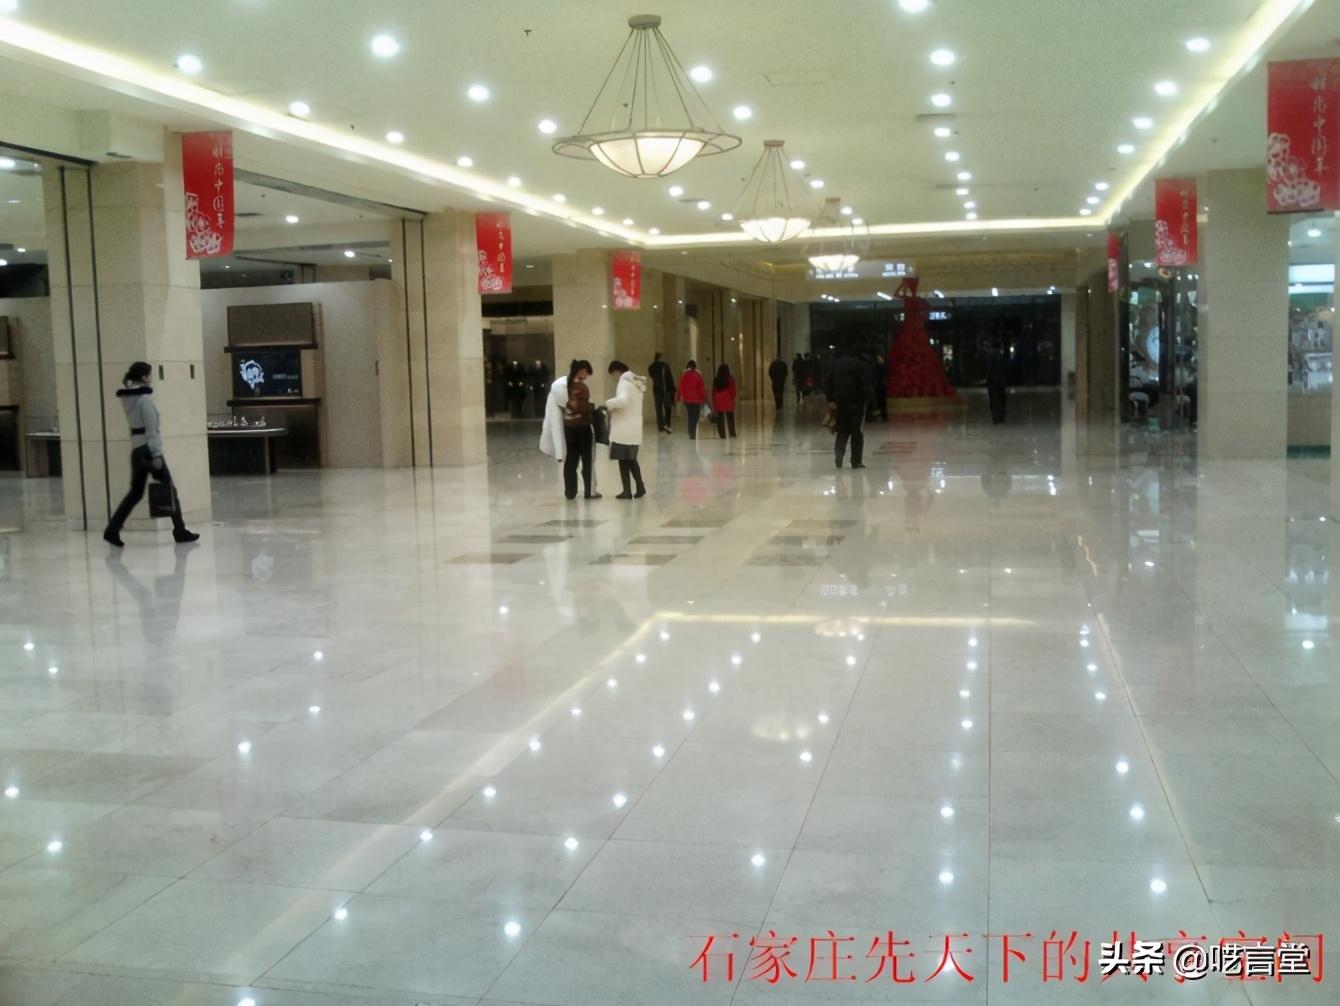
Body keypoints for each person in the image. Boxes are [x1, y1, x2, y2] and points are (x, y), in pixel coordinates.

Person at [103, 361, 199, 547]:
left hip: (137, 450)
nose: (151, 378)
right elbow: (151, 431)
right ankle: (180, 531)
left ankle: (112, 529)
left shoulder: (128, 399)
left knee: (135, 493)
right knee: (169, 489)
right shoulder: (144, 400)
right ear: (144, 377)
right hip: (149, 450)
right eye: (149, 374)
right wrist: (156, 455)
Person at [605, 360, 648, 499]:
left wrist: (608, 404)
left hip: (623, 428)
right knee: (631, 459)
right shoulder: (636, 382)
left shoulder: (624, 382)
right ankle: (640, 487)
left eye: (613, 375)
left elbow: (623, 401)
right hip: (633, 428)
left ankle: (627, 491)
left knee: (623, 461)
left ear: (617, 371)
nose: (614, 378)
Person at [826, 349, 874, 470]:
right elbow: (867, 384)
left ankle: (839, 457)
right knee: (856, 431)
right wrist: (869, 400)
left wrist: (831, 399)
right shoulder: (861, 365)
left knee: (842, 430)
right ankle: (856, 461)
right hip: (857, 401)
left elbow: (827, 383)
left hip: (840, 401)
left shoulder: (835, 365)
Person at [677, 359, 708, 440]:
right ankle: (692, 431)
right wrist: (705, 398)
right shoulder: (698, 375)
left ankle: (690, 431)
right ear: (695, 367)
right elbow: (701, 388)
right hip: (696, 399)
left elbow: (680, 387)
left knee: (690, 416)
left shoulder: (684, 376)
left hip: (687, 400)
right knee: (695, 417)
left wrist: (678, 397)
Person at [648, 351, 675, 434]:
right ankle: (667, 425)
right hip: (666, 391)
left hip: (656, 390)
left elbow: (651, 376)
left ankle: (661, 427)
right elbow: (669, 379)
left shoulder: (651, 367)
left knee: (658, 409)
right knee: (668, 408)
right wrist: (673, 390)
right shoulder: (665, 366)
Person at [985, 337, 1009, 425]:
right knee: (1001, 398)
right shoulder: (1002, 355)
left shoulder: (990, 355)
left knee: (993, 398)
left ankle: (996, 417)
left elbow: (990, 368)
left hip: (992, 380)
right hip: (1000, 379)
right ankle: (1001, 417)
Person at [712, 363, 737, 438]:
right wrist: (732, 397)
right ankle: (732, 433)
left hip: (719, 401)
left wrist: (714, 401)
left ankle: (722, 434)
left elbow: (714, 391)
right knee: (730, 418)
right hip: (728, 400)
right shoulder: (730, 379)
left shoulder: (716, 380)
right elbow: (732, 390)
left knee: (720, 419)